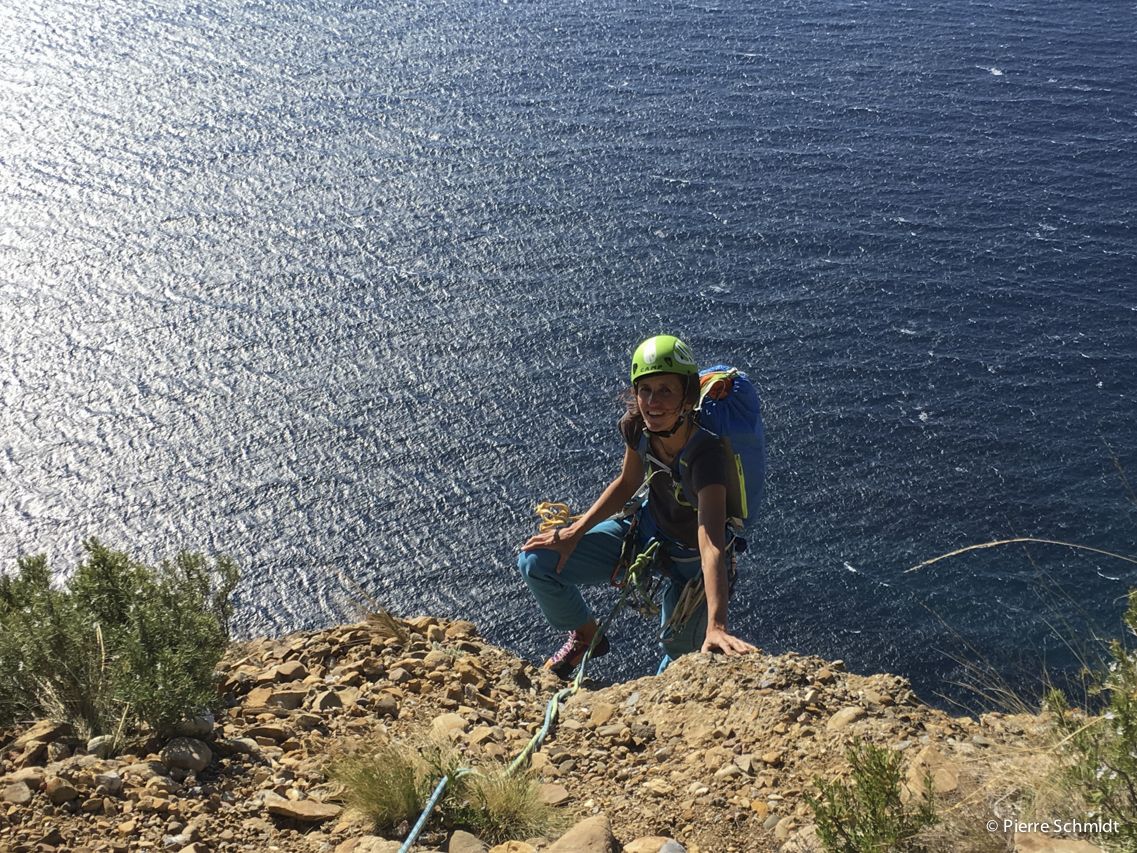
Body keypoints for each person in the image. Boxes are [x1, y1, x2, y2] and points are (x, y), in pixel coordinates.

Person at [518, 334, 758, 679]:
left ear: (688, 397)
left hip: (692, 561)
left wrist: (717, 625)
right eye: (645, 390)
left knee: (678, 653)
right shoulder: (638, 428)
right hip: (645, 532)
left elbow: (710, 541)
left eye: (666, 391)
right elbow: (627, 483)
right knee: (537, 562)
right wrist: (574, 532)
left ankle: (654, 694)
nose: (652, 402)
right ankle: (587, 636)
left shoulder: (706, 455)